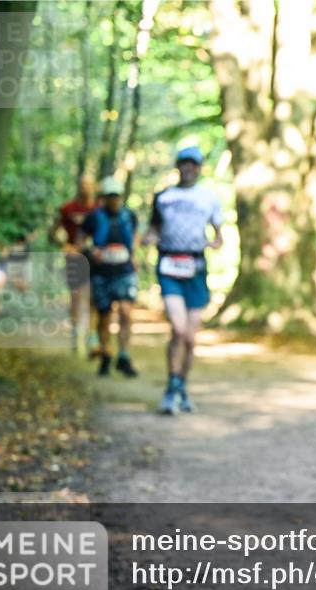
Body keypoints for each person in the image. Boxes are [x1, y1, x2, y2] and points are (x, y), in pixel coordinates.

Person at [143, 146, 223, 414]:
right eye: (184, 164)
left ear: (199, 168)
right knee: (178, 329)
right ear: (178, 167)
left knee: (190, 338)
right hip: (168, 267)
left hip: (196, 269)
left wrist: (216, 241)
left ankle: (182, 386)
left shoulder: (209, 198)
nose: (188, 168)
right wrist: (150, 237)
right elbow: (153, 227)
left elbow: (218, 232)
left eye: (193, 164)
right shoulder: (164, 197)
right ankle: (171, 387)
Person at [83, 176, 140, 378]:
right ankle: (105, 353)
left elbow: (134, 239)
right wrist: (91, 252)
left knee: (126, 312)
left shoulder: (129, 216)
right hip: (101, 273)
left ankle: (124, 355)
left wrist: (134, 256)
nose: (114, 200)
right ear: (104, 198)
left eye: (116, 196)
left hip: (124, 271)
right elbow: (80, 242)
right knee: (104, 316)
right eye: (110, 196)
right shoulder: (93, 217)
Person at [54, 174, 98, 353]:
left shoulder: (98, 209)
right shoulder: (67, 208)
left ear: (93, 186)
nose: (85, 187)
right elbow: (54, 232)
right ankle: (75, 333)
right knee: (76, 294)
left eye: (88, 184)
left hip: (94, 257)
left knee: (94, 296)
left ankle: (92, 335)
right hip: (74, 257)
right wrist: (65, 245)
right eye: (82, 184)